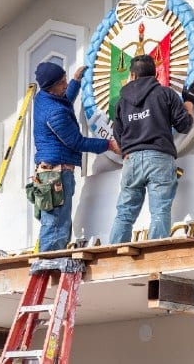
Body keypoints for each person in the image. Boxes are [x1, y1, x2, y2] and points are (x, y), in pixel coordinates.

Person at [108, 55, 194, 243]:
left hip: (131, 161)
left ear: (132, 76)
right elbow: (184, 125)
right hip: (159, 157)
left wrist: (129, 150)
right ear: (156, 74)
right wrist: (189, 103)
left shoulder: (121, 102)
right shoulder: (165, 94)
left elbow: (118, 136)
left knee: (124, 212)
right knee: (160, 210)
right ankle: (154, 253)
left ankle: (114, 251)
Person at [32, 61, 120, 251]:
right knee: (56, 224)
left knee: (56, 220)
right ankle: (50, 260)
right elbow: (77, 142)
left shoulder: (43, 98)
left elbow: (64, 100)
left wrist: (75, 82)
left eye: (65, 80)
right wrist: (109, 145)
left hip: (49, 173)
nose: (65, 85)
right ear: (51, 86)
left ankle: (51, 257)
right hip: (57, 175)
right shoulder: (54, 113)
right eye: (62, 82)